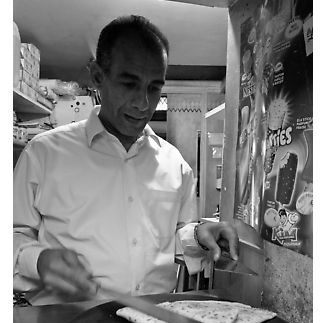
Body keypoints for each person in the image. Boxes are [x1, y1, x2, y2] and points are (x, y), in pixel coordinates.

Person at [13, 15, 238, 305]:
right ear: (97, 77)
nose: (143, 103)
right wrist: (39, 259)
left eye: (154, 87)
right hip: (64, 322)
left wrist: (197, 234)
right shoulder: (44, 153)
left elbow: (174, 237)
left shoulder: (175, 165)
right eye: (129, 84)